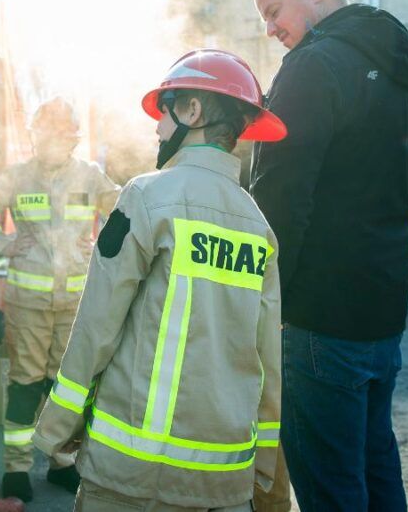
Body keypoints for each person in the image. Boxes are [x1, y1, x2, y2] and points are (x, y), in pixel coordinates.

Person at [34, 49, 286, 512]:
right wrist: (267, 473)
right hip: (225, 480)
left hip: (131, 474)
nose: (156, 127)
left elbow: (97, 324)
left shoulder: (147, 197)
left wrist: (57, 428)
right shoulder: (258, 226)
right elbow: (268, 361)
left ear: (194, 111)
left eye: (166, 109)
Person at [249, 0, 408, 511]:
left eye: (274, 10)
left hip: (318, 318)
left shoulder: (313, 64)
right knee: (377, 470)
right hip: (382, 312)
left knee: (331, 487)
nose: (272, 29)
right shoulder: (406, 74)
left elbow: (280, 195)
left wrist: (268, 301)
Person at [0, 98, 120, 502]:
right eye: (46, 133)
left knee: (65, 387)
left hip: (73, 305)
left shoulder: (89, 175)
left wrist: (106, 248)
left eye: (61, 134)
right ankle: (15, 469)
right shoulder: (17, 176)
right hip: (26, 306)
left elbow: (126, 209)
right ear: (36, 135)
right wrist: (2, 242)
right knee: (24, 385)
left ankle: (60, 462)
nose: (53, 140)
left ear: (72, 138)